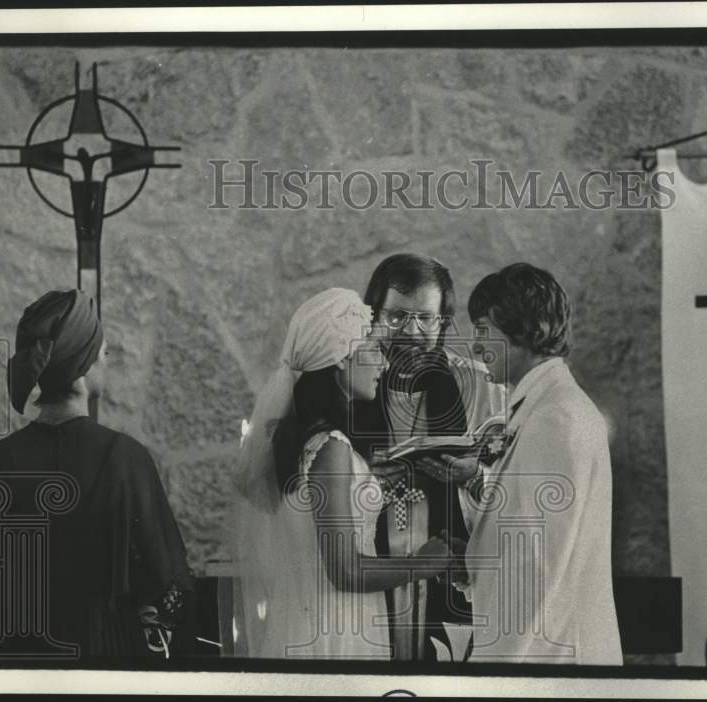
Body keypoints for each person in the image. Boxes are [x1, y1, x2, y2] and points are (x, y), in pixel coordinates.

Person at [0, 290, 194, 661]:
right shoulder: (125, 458)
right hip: (107, 661)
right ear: (85, 367)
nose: (107, 358)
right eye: (103, 351)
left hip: (19, 664)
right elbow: (168, 583)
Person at [231, 288, 454, 660]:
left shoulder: (301, 438)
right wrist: (425, 563)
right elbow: (345, 570)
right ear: (341, 360)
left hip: (306, 619)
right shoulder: (331, 445)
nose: (382, 364)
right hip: (335, 629)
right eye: (372, 351)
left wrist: (367, 485)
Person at [457, 263, 622, 665]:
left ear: (519, 327)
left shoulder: (555, 418)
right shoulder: (544, 406)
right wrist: (472, 481)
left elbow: (532, 564)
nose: (475, 347)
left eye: (482, 330)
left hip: (548, 656)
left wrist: (491, 675)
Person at [349, 253, 505, 661]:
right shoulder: (352, 385)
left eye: (425, 319)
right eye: (397, 317)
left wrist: (473, 476)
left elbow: (514, 478)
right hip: (374, 570)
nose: (410, 331)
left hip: (449, 563)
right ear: (374, 316)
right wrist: (362, 481)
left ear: (443, 322)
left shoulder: (479, 386)